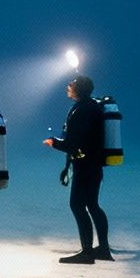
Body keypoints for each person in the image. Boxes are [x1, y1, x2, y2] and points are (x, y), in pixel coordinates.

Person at [45, 74, 113, 262]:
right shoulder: (92, 107)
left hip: (85, 166)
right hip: (92, 164)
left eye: (71, 84)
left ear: (79, 90)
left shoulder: (81, 110)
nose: (68, 86)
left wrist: (54, 143)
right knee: (92, 205)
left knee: (77, 205)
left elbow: (72, 143)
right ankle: (103, 250)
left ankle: (87, 252)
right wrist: (68, 166)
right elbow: (81, 142)